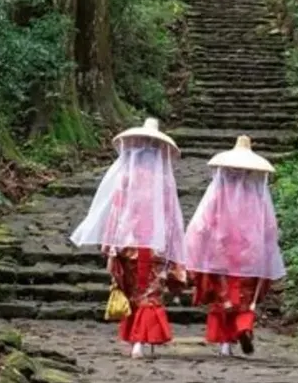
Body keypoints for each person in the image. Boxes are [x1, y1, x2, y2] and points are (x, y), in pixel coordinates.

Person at [70, 118, 186, 358]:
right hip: (156, 246)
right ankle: (142, 340)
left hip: (128, 243)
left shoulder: (125, 178)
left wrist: (111, 248)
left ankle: (137, 340)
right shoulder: (163, 181)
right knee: (150, 293)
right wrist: (174, 250)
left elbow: (116, 212)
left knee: (133, 292)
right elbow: (172, 217)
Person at [183, 135, 285, 356]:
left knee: (224, 297)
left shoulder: (219, 192)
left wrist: (196, 245)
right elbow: (269, 226)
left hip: (222, 252)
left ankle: (225, 344)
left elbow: (203, 223)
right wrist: (268, 248)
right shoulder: (258, 195)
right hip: (250, 253)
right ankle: (244, 327)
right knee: (245, 298)